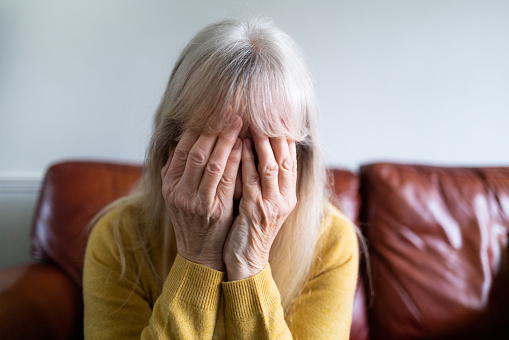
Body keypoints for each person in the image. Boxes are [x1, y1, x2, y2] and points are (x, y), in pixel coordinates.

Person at [83, 17, 359, 339]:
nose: (233, 177)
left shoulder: (332, 243)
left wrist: (250, 264)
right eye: (216, 148)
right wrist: (196, 260)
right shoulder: (119, 238)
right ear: (171, 146)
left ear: (298, 156)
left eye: (261, 149)